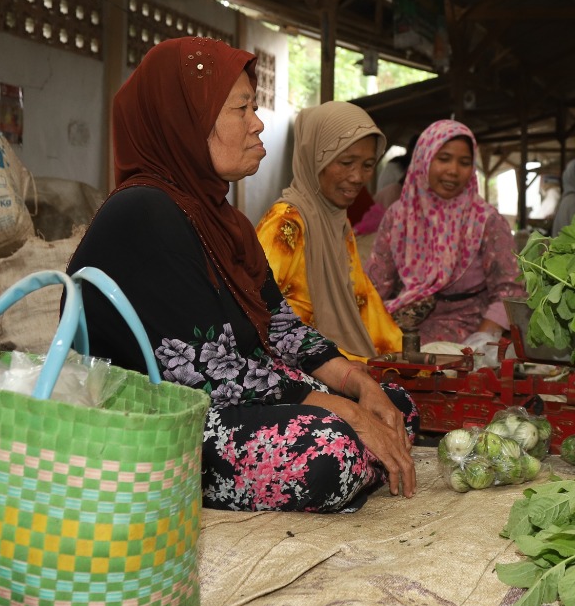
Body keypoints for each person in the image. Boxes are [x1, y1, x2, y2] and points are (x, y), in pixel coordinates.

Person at [67, 37, 417, 513]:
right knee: (327, 448)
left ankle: (364, 443)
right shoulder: (143, 213)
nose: (258, 124)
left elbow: (280, 325)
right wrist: (342, 410)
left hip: (229, 400)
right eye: (241, 109)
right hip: (152, 421)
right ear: (185, 120)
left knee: (395, 406)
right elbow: (206, 374)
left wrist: (358, 385)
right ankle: (356, 454)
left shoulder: (221, 219)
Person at [256, 100, 402, 361]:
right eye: (346, 162)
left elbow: (362, 301)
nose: (358, 177)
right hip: (300, 370)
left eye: (367, 165)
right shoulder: (286, 223)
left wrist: (400, 355)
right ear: (313, 157)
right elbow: (257, 313)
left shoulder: (338, 224)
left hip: (341, 365)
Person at [366, 120, 526, 346]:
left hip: (466, 343)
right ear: (423, 159)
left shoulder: (486, 221)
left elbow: (510, 293)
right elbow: (374, 287)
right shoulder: (399, 216)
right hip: (401, 336)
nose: (453, 171)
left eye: (464, 162)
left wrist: (479, 345)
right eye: (443, 159)